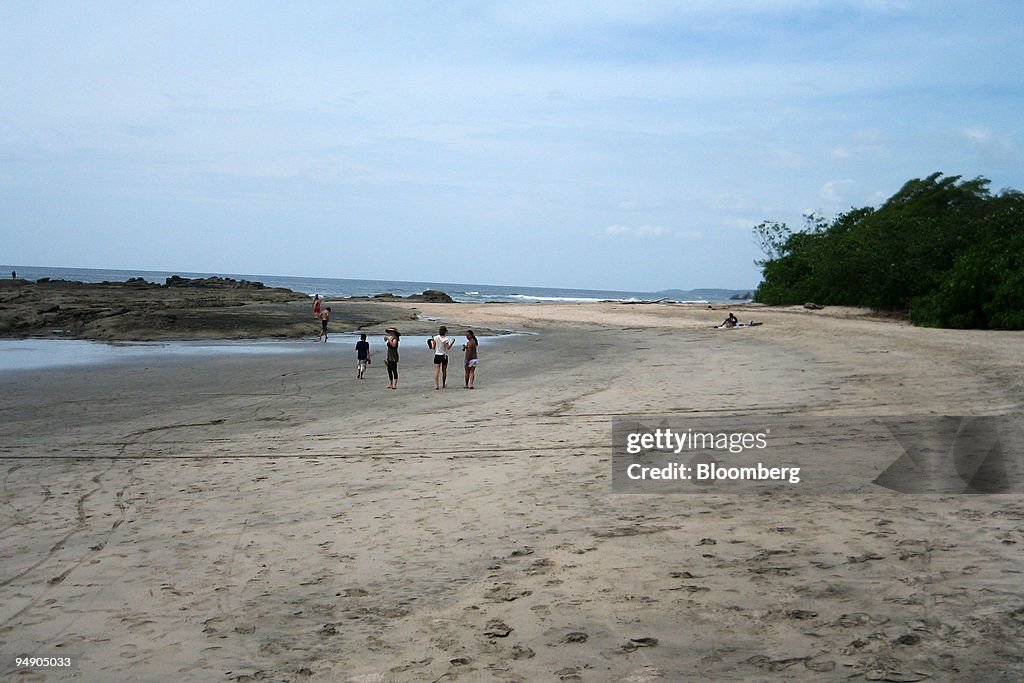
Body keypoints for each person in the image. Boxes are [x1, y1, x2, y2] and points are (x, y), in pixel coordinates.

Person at [431, 325, 455, 389]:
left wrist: (431, 342)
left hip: (437, 354)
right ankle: (443, 384)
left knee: (436, 370)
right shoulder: (445, 339)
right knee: (444, 371)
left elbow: (433, 347)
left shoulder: (436, 337)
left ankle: (436, 385)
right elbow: (448, 347)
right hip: (443, 355)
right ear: (445, 332)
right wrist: (452, 342)